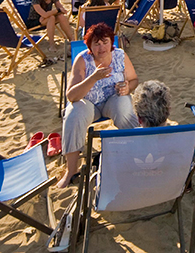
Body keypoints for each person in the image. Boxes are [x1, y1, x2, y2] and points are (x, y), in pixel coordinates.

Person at [57, 23, 139, 188]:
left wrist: (127, 88)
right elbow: (71, 95)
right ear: (90, 47)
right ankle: (71, 170)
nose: (102, 47)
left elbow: (134, 80)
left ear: (111, 43)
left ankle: (136, 155)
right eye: (97, 43)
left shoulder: (120, 56)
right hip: (89, 104)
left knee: (124, 104)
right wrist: (93, 78)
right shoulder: (82, 59)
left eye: (105, 42)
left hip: (113, 100)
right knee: (73, 112)